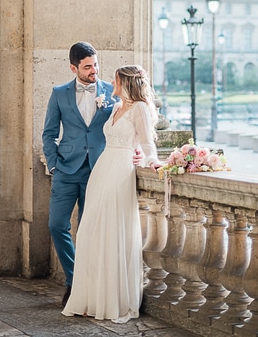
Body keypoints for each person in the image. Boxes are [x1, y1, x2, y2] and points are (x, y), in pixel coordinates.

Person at [62, 64, 162, 323]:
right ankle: (91, 299)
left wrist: (152, 161)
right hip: (103, 170)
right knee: (89, 232)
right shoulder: (117, 107)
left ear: (126, 82)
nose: (111, 82)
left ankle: (109, 302)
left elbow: (147, 142)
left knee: (110, 234)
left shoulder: (139, 108)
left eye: (116, 79)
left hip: (120, 173)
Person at [43, 42, 132, 306]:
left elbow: (127, 122)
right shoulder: (59, 94)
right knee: (57, 225)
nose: (94, 70)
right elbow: (49, 133)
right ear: (74, 68)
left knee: (89, 231)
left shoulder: (111, 91)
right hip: (66, 169)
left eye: (96, 64)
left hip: (99, 169)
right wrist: (53, 164)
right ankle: (74, 278)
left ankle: (86, 288)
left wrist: (135, 151)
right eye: (88, 66)